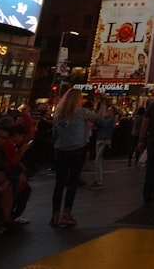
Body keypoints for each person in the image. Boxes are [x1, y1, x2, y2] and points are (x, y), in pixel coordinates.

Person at [50, 88, 102, 228]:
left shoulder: (58, 114)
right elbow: (99, 118)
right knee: (72, 182)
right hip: (77, 149)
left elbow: (54, 134)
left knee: (59, 184)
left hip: (60, 150)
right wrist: (102, 104)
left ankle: (55, 214)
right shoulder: (82, 112)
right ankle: (66, 214)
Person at [92, 106, 116, 188]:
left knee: (97, 160)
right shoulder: (105, 119)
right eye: (108, 110)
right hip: (99, 139)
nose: (108, 112)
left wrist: (97, 118)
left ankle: (99, 180)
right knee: (98, 160)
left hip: (105, 140)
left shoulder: (112, 120)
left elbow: (102, 124)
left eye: (110, 110)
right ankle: (98, 179)